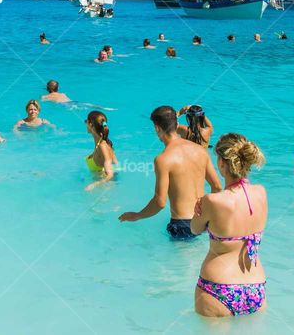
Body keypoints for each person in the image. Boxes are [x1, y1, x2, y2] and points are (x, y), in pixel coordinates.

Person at [190, 133, 267, 317]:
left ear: (222, 163)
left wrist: (198, 211)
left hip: (217, 288)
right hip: (255, 286)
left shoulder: (213, 201)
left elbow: (194, 229)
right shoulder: (261, 193)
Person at [119, 106, 221, 239]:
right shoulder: (200, 150)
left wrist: (137, 215)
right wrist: (209, 214)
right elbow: (217, 187)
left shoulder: (163, 159)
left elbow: (160, 202)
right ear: (177, 124)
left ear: (157, 128)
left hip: (182, 225)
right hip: (203, 221)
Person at [84, 110, 117, 190]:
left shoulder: (103, 146)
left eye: (86, 121)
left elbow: (110, 174)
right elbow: (116, 164)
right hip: (106, 187)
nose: (85, 124)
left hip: (104, 190)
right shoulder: (104, 143)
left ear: (90, 124)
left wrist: (94, 185)